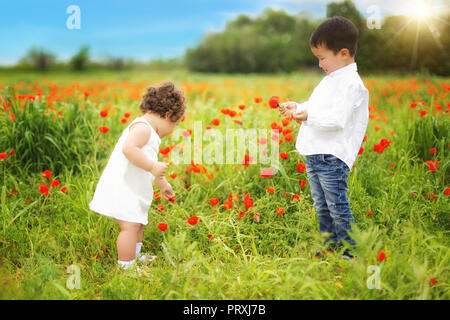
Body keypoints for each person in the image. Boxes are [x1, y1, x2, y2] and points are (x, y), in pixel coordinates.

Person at [279, 16, 369, 260]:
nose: (320, 64)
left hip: (332, 156)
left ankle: (349, 253)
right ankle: (329, 247)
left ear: (343, 53)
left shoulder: (352, 84)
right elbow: (317, 106)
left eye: (322, 58)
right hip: (315, 153)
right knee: (322, 206)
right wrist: (298, 107)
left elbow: (336, 119)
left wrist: (307, 115)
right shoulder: (331, 80)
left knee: (337, 208)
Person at [89, 81, 186, 270]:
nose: (172, 131)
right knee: (130, 227)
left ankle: (136, 255)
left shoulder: (149, 130)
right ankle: (126, 266)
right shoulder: (142, 128)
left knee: (138, 223)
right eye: (174, 125)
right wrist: (152, 166)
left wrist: (162, 183)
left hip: (132, 188)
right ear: (167, 115)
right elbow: (129, 149)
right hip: (122, 188)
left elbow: (150, 164)